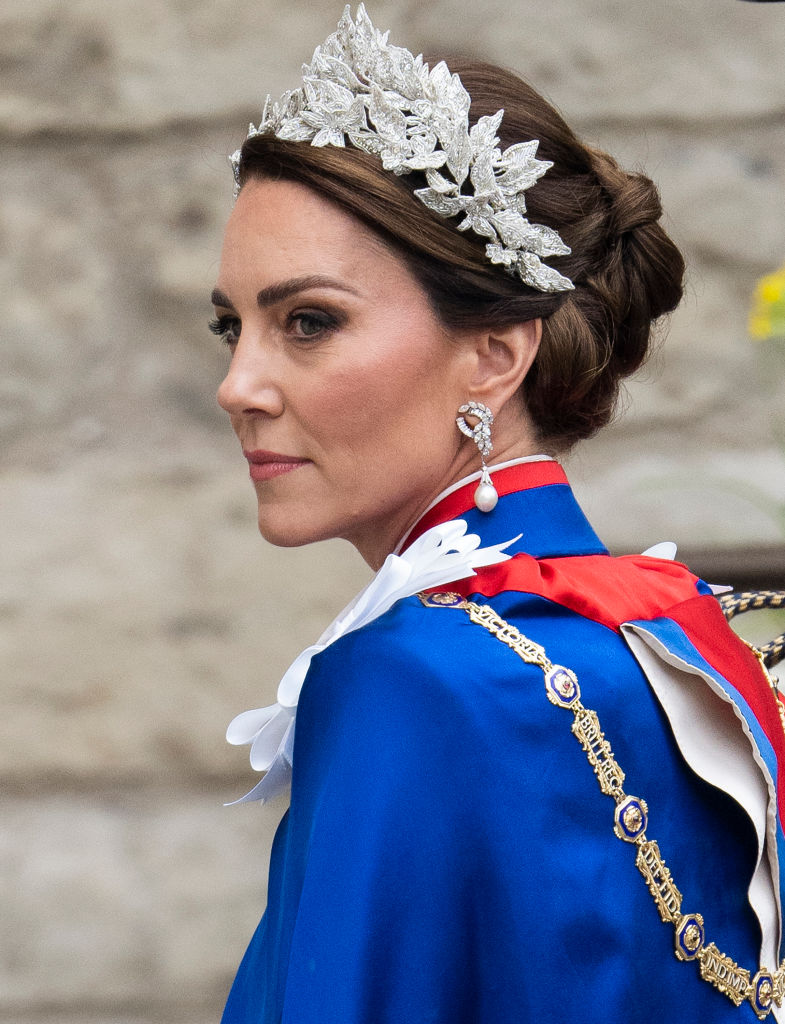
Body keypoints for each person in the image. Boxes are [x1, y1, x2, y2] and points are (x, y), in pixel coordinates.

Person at [211, 6, 785, 1021]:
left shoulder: (410, 677)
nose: (238, 384)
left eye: (307, 321)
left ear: (494, 353)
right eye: (232, 325)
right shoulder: (678, 631)